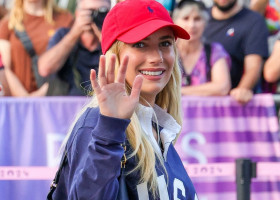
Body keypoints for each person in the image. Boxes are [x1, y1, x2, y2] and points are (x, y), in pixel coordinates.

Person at [49, 0, 198, 199]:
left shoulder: (160, 128)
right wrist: (110, 127)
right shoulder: (98, 122)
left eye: (165, 43)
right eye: (140, 44)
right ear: (114, 55)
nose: (157, 57)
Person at [0, 0, 73, 96]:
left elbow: (71, 61)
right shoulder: (7, 23)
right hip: (18, 101)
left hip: (55, 97)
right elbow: (6, 68)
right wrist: (26, 99)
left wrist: (41, 94)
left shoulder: (64, 19)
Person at [38, 0, 110, 96]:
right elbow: (45, 69)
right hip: (66, 106)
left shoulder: (114, 41)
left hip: (101, 106)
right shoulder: (63, 35)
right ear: (77, 13)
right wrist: (75, 33)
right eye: (90, 11)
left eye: (101, 12)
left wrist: (106, 39)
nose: (95, 16)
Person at [204, 0, 269, 104]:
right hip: (196, 99)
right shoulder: (197, 18)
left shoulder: (254, 21)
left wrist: (241, 90)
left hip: (231, 102)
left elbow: (254, 67)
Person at [173, 0, 231, 96]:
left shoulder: (214, 50)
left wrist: (179, 92)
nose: (192, 25)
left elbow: (222, 87)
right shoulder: (167, 51)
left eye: (197, 19)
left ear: (205, 22)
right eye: (186, 18)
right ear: (175, 22)